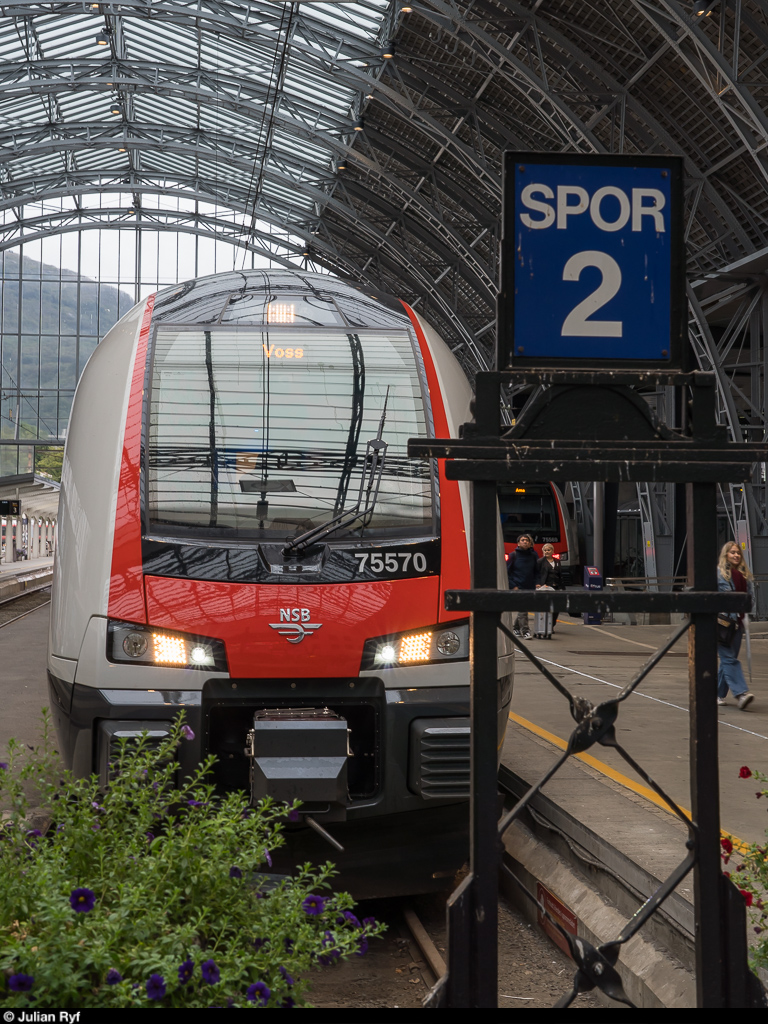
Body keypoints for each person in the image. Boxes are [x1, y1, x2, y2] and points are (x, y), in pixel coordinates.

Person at [717, 540, 755, 710]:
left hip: (738, 623)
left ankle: (716, 694)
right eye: (732, 552)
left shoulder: (744, 575)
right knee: (729, 658)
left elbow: (749, 599)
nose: (736, 555)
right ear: (726, 554)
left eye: (738, 553)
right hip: (722, 623)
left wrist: (746, 616)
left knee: (728, 660)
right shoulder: (719, 574)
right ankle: (741, 694)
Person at [508, 533, 538, 639]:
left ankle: (516, 627)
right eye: (522, 540)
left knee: (523, 609)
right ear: (518, 543)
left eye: (527, 540)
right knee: (523, 609)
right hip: (518, 586)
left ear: (530, 543)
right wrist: (513, 585)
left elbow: (536, 570)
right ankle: (526, 631)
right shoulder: (513, 555)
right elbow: (507, 572)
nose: (525, 542)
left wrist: (537, 583)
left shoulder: (534, 555)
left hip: (529, 586)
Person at [536, 543, 563, 634]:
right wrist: (538, 584)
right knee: (546, 608)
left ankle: (552, 625)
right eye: (545, 550)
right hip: (545, 586)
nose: (547, 552)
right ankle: (545, 627)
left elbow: (560, 574)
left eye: (549, 550)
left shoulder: (557, 561)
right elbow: (536, 573)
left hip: (556, 587)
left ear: (552, 551)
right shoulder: (540, 561)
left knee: (557, 607)